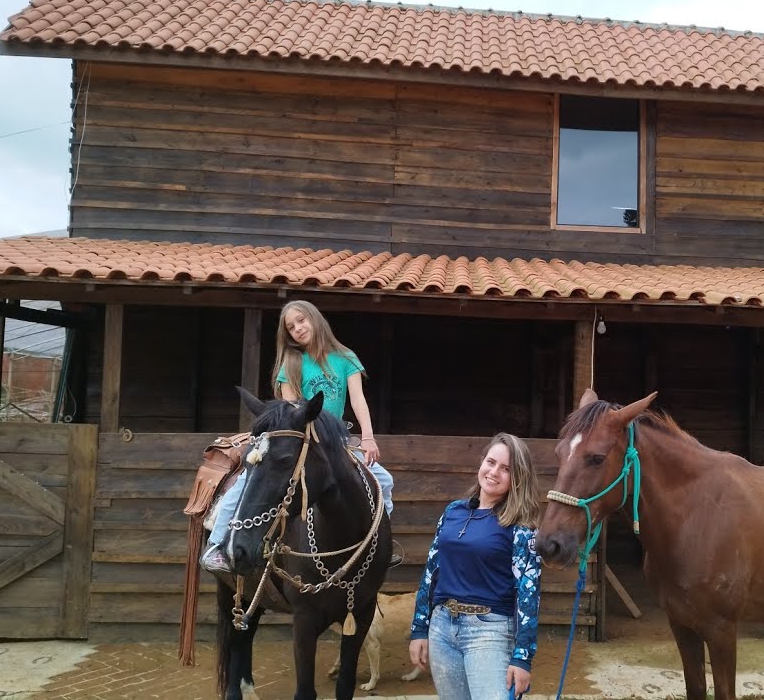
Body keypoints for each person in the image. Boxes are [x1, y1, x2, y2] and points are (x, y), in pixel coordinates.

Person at [201, 300, 396, 572]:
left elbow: (358, 399)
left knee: (383, 480)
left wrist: (368, 437)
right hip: (299, 438)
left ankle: (377, 541)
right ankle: (218, 543)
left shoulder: (345, 357)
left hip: (334, 441)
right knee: (246, 480)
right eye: (291, 327)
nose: (298, 329)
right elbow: (288, 410)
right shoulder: (292, 363)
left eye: (301, 320)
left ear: (315, 319)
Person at [408, 433, 543, 700]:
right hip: (442, 628)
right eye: (491, 462)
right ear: (481, 462)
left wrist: (522, 657)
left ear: (518, 477)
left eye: (506, 469)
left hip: (490, 632)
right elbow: (432, 573)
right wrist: (419, 628)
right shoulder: (453, 512)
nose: (494, 472)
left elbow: (529, 594)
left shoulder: (521, 526)